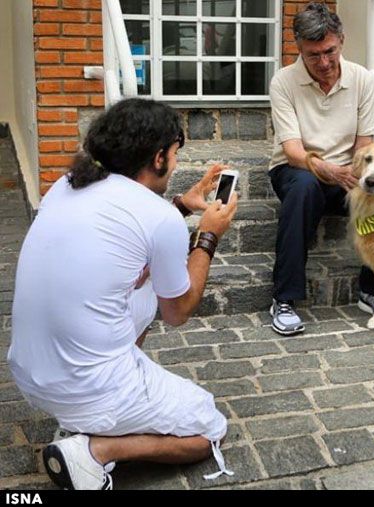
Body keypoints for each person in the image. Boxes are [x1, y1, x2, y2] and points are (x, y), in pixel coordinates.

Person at [7, 98, 238, 490]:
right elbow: (179, 310)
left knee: (143, 286)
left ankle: (108, 405)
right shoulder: (156, 215)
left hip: (29, 374)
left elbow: (130, 236)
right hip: (86, 387)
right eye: (176, 153)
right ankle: (96, 450)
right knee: (210, 430)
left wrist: (183, 204)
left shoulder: (65, 186)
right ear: (159, 157)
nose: (177, 163)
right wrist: (209, 234)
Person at [268, 2, 374, 336]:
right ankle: (284, 299)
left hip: (348, 170)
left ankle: (373, 291)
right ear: (299, 49)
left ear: (342, 41)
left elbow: (365, 143)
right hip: (297, 169)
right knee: (303, 188)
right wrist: (330, 170)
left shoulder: (362, 79)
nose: (324, 63)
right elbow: (293, 151)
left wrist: (358, 176)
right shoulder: (283, 82)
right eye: (313, 55)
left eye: (330, 51)